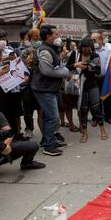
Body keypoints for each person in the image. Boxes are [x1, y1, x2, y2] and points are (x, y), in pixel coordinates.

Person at [31, 25, 69, 157]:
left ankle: (49, 141)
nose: (59, 37)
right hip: (44, 89)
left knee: (49, 117)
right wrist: (64, 72)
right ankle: (49, 146)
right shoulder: (45, 50)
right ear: (48, 36)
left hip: (49, 88)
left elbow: (55, 65)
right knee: (53, 117)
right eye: (56, 34)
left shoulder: (51, 49)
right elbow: (47, 71)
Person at [67, 37, 108, 143]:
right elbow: (67, 67)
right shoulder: (75, 54)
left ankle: (102, 129)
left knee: (96, 108)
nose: (86, 50)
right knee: (83, 109)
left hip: (92, 84)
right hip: (79, 84)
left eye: (88, 48)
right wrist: (76, 65)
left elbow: (99, 71)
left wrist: (91, 68)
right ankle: (84, 133)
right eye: (84, 48)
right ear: (81, 47)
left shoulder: (95, 55)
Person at [0, 110, 45, 179]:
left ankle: (26, 164)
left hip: (0, 150)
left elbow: (9, 133)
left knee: (32, 146)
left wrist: (4, 146)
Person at [20, 29, 43, 139]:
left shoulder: (43, 50)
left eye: (39, 38)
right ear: (29, 39)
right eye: (35, 39)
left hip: (41, 84)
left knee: (41, 110)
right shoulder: (25, 52)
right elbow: (20, 70)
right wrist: (27, 64)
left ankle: (45, 131)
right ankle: (29, 128)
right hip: (28, 85)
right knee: (28, 110)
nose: (37, 41)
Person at [92, 31, 111, 125]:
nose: (93, 42)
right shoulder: (91, 50)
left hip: (106, 78)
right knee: (95, 99)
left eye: (94, 40)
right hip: (94, 79)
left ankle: (108, 116)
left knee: (107, 98)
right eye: (92, 40)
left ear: (101, 40)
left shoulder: (108, 49)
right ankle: (96, 118)